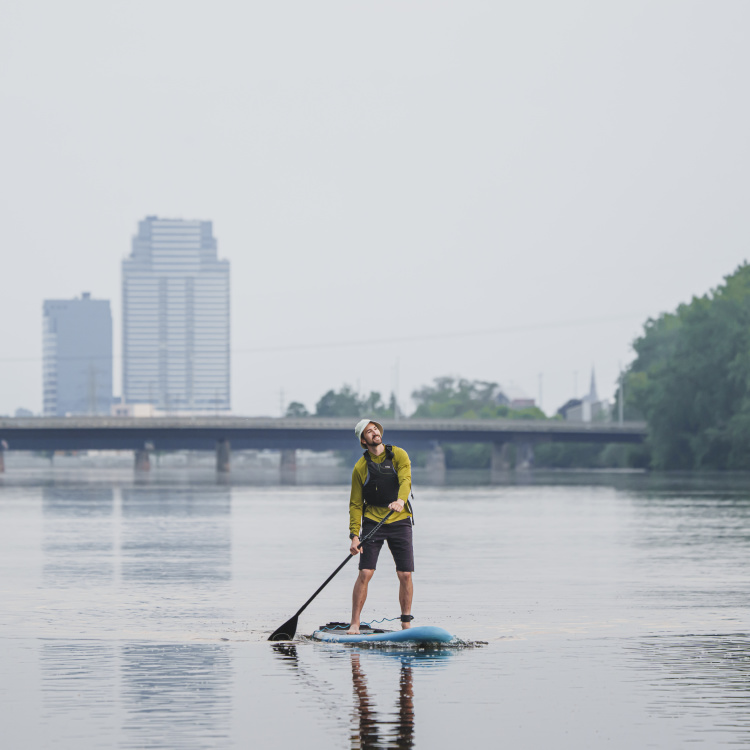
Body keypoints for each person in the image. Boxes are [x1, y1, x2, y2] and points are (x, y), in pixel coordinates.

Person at [348, 418, 414, 635]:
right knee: (365, 572)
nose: (374, 432)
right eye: (369, 431)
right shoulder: (360, 468)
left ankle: (406, 624)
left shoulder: (399, 455)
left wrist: (400, 501)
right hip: (373, 522)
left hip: (399, 519)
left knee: (405, 574)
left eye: (375, 428)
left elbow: (406, 480)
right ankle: (355, 624)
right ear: (363, 440)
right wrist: (354, 537)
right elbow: (356, 504)